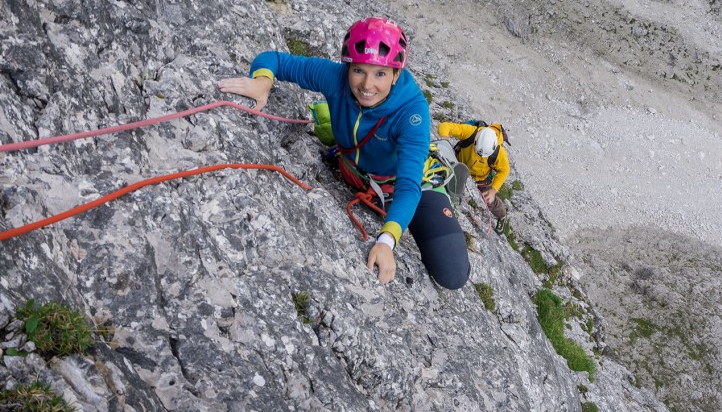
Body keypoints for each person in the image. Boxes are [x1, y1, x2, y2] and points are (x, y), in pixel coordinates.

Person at [218, 17, 470, 290]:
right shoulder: (335, 77)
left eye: (381, 74)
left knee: (452, 274)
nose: (367, 85)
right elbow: (274, 59)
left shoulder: (412, 111)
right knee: (329, 120)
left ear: (397, 74)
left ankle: (448, 177)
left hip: (408, 181)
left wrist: (387, 240)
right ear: (348, 66)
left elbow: (409, 186)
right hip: (357, 170)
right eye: (359, 71)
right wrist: (263, 81)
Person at [437, 120, 511, 233]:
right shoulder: (471, 132)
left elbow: (504, 170)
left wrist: (493, 189)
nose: (479, 156)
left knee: (489, 201)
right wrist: (444, 141)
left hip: (480, 179)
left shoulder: (499, 153)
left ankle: (502, 215)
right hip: (458, 164)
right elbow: (444, 126)